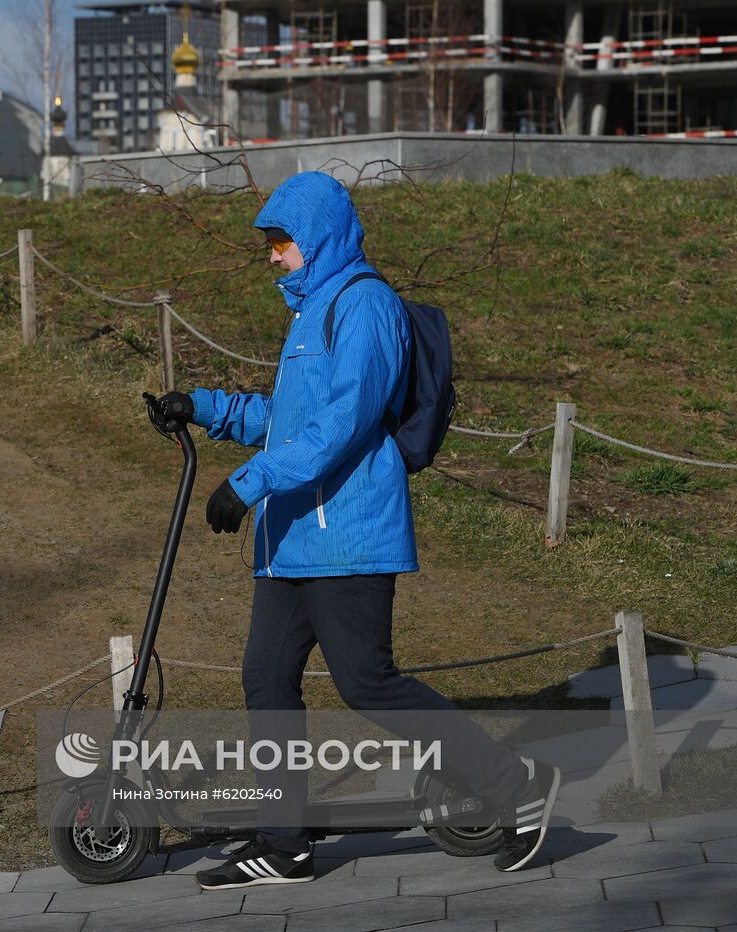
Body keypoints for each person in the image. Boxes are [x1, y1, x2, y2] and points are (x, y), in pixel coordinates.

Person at [155, 171, 560, 890]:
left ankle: (515, 781)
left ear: (318, 238)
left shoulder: (366, 306)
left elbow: (342, 425)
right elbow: (287, 420)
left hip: (348, 533)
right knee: (267, 678)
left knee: (368, 683)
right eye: (270, 243)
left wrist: (247, 483)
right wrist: (203, 406)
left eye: (281, 242)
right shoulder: (308, 313)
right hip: (292, 544)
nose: (272, 256)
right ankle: (285, 846)